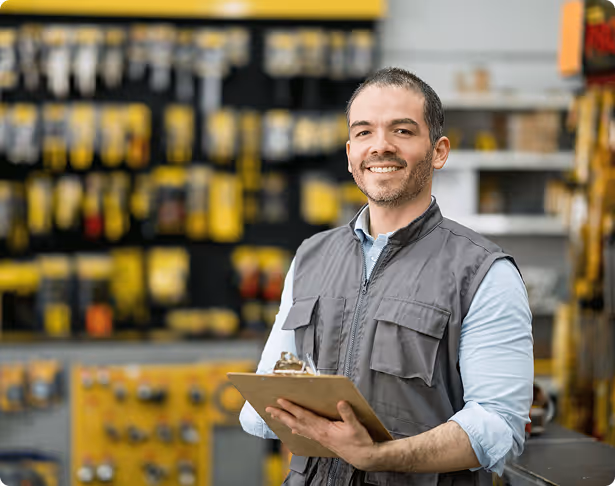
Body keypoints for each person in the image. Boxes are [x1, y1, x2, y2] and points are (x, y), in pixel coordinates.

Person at [239, 67, 533, 486]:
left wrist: (379, 455)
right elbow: (264, 402)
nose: (380, 147)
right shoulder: (310, 257)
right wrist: (281, 408)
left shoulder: (484, 273)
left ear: (439, 151)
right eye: (364, 133)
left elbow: (499, 426)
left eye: (402, 131)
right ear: (349, 154)